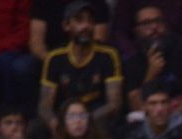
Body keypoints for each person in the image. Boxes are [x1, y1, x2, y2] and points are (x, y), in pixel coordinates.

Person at [39, 1, 123, 132]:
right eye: (79, 20)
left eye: (90, 21)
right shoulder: (55, 57)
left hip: (96, 115)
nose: (86, 26)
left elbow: (114, 104)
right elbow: (44, 107)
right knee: (36, 129)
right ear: (66, 25)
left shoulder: (108, 55)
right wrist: (57, 125)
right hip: (65, 114)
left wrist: (82, 121)